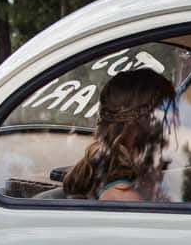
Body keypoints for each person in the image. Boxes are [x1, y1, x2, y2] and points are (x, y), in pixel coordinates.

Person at [63, 67, 177, 202]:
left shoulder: (105, 166)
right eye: (165, 111)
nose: (173, 118)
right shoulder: (123, 195)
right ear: (142, 123)